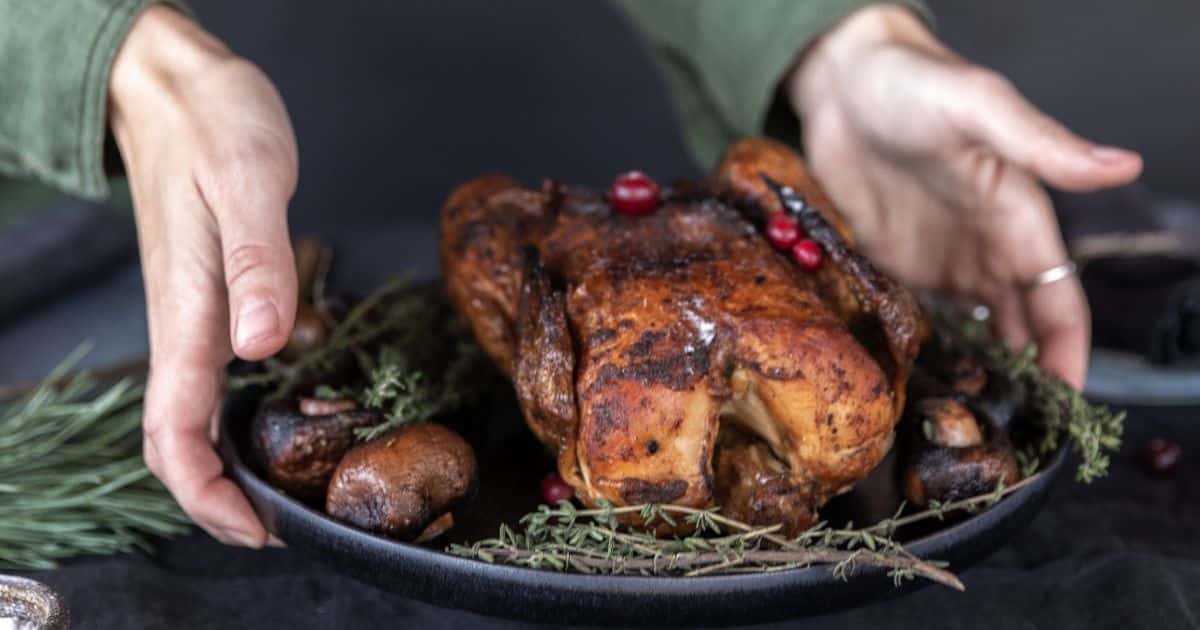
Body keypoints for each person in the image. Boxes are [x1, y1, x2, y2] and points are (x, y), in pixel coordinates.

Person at [0, 1, 1141, 548]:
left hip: (648, 290)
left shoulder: (655, 441)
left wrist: (833, 46)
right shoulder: (849, 415)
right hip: (63, 226)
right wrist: (113, 60)